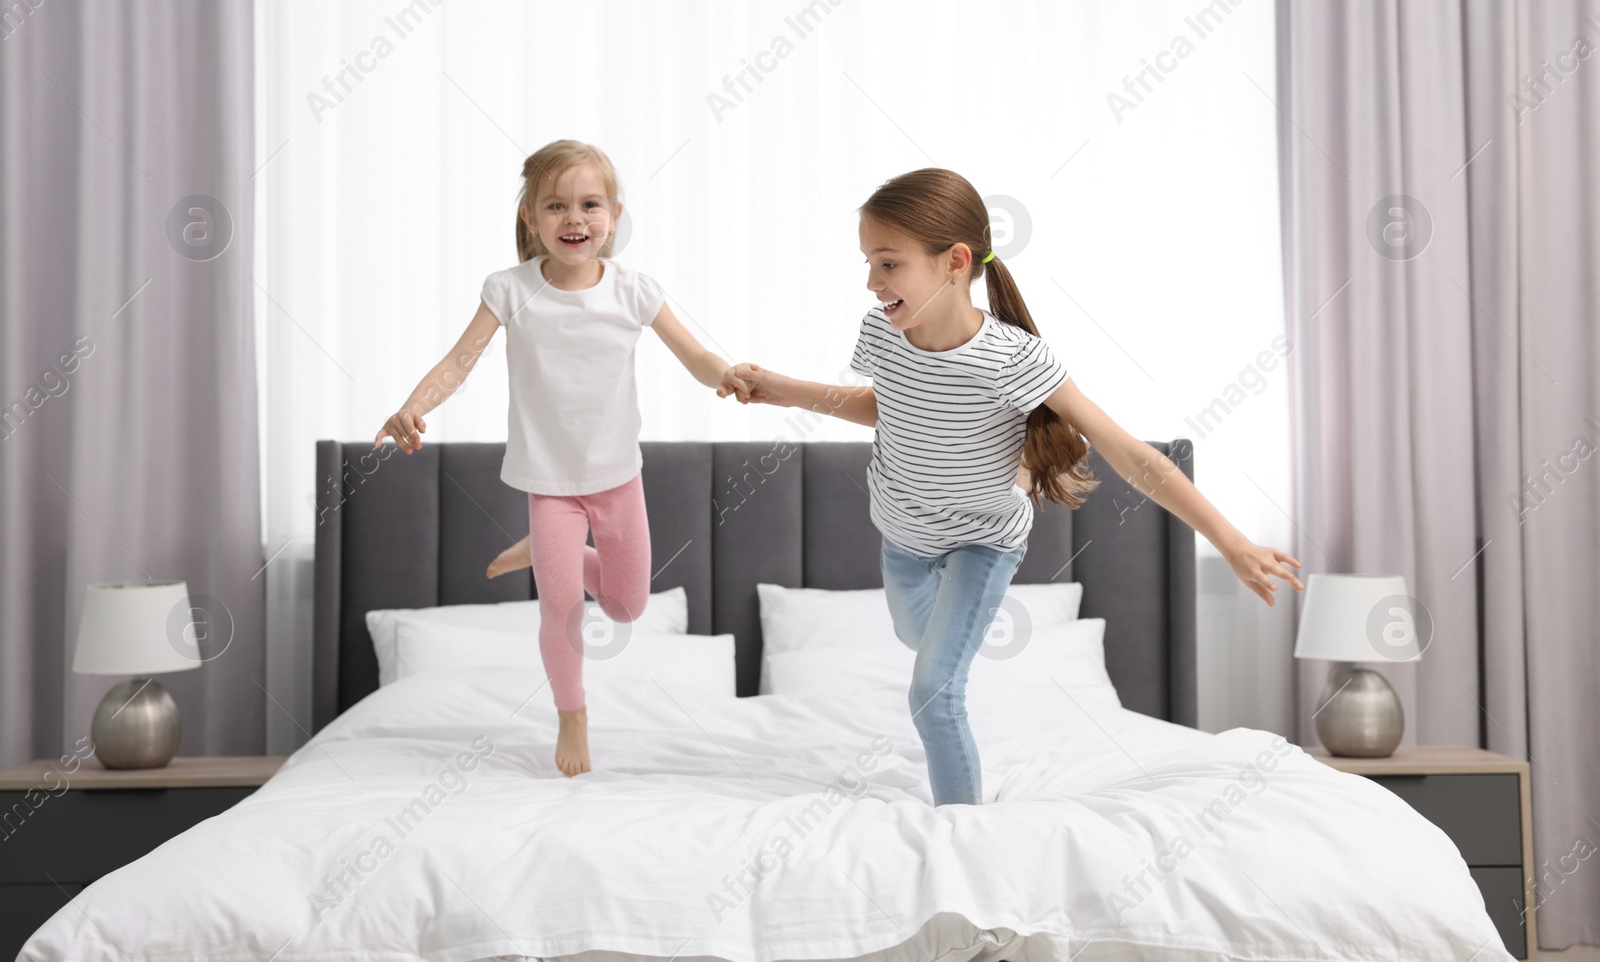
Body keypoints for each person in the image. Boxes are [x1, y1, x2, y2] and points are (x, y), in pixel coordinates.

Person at [731, 167, 1303, 806]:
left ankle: (964, 831)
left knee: (933, 693)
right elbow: (884, 403)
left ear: (954, 262)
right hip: (901, 538)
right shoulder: (882, 333)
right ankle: (952, 638)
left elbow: (1130, 453)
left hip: (983, 542)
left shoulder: (1013, 358)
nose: (871, 283)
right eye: (867, 262)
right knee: (918, 640)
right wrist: (783, 387)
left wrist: (1232, 542)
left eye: (887, 264)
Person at [375, 139, 750, 778]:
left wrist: (729, 372)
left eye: (589, 204)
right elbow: (459, 363)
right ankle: (571, 714)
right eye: (556, 206)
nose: (574, 218)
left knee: (629, 608)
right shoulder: (509, 289)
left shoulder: (634, 291)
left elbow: (695, 356)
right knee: (562, 608)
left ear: (614, 214)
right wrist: (414, 405)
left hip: (616, 477)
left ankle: (561, 554)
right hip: (548, 482)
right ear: (530, 216)